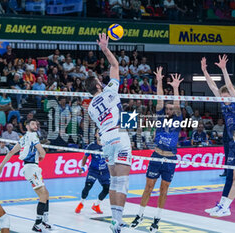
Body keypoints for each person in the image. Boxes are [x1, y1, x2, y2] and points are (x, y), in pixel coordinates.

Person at [85, 33, 132, 233]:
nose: (102, 81)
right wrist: (105, 49)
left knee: (114, 181)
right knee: (122, 182)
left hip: (106, 141)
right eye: (99, 80)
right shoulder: (110, 91)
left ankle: (115, 220)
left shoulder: (89, 108)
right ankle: (118, 222)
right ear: (98, 85)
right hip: (120, 136)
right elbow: (115, 67)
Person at [130, 68, 183, 232]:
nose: (168, 110)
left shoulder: (178, 118)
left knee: (163, 190)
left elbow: (177, 104)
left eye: (170, 109)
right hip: (157, 156)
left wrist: (175, 87)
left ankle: (157, 219)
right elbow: (159, 99)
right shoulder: (160, 118)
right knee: (148, 188)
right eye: (166, 109)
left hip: (170, 159)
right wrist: (159, 81)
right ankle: (139, 215)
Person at [201, 55, 235, 217]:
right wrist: (204, 71)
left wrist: (223, 69)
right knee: (229, 176)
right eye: (223, 98)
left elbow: (229, 86)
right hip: (233, 145)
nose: (224, 99)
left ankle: (227, 208)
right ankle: (221, 205)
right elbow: (213, 88)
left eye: (226, 97)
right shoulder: (224, 105)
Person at [0, 119, 52, 232]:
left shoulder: (24, 138)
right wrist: (41, 157)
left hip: (30, 168)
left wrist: (1, 166)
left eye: (36, 123)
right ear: (27, 126)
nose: (36, 125)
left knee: (46, 194)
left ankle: (45, 221)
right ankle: (38, 224)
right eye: (33, 124)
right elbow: (43, 152)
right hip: (31, 168)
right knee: (43, 195)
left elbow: (11, 152)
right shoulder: (33, 136)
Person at [75, 130, 110, 214]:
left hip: (105, 171)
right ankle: (81, 203)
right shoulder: (91, 146)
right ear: (95, 135)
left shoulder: (108, 145)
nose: (100, 134)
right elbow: (85, 157)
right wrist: (82, 167)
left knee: (107, 189)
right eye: (98, 132)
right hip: (93, 170)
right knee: (88, 186)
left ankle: (96, 205)